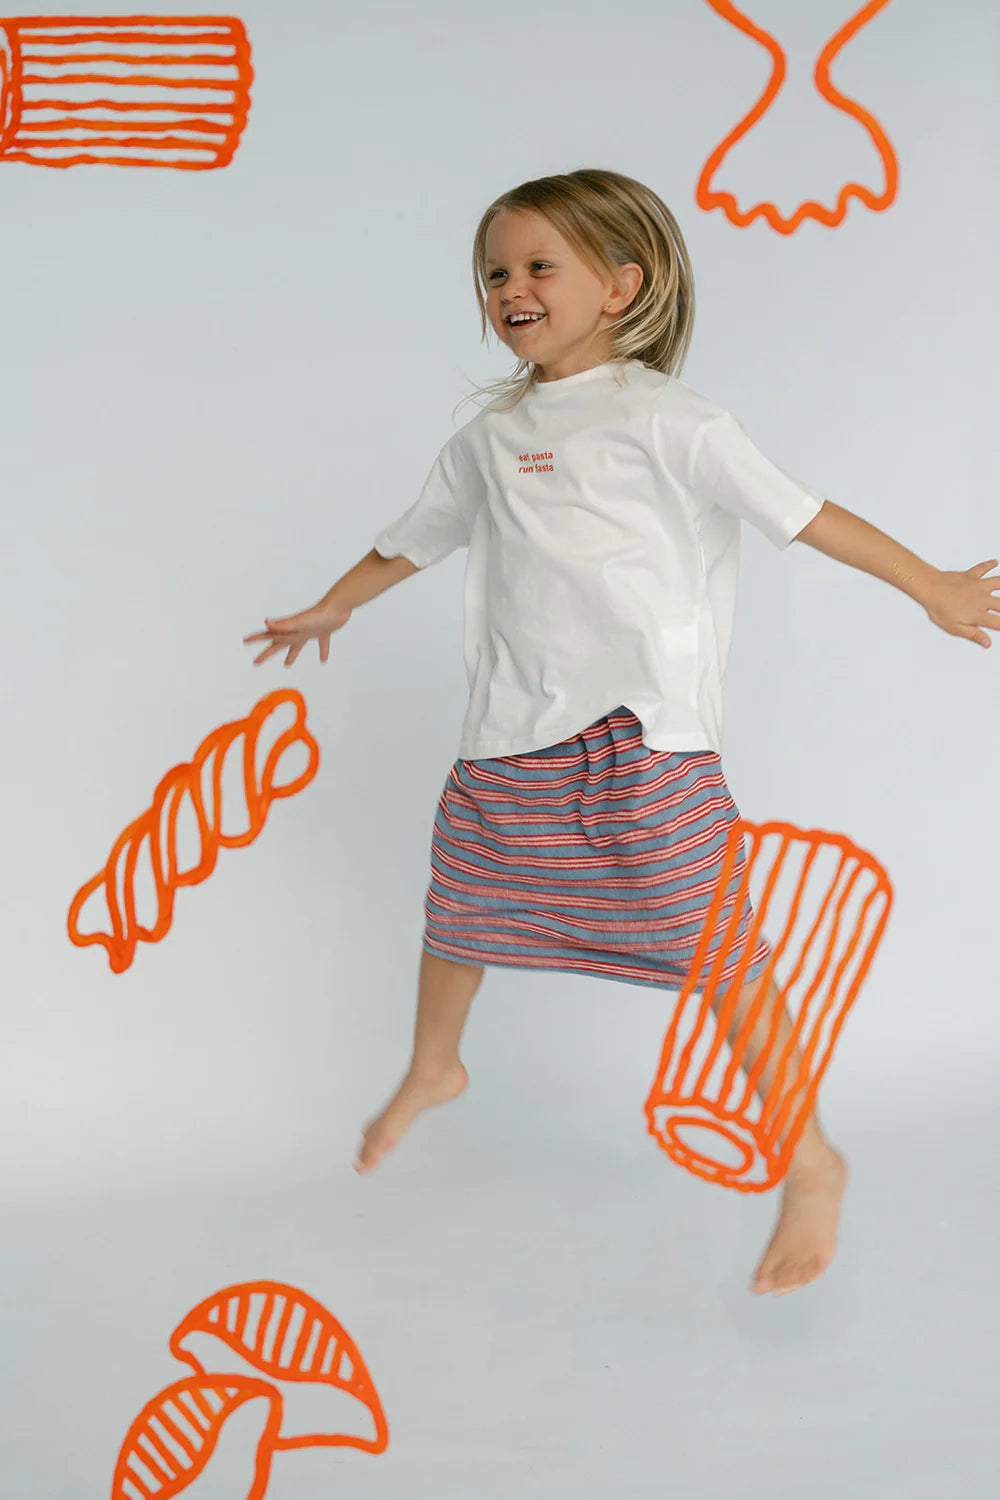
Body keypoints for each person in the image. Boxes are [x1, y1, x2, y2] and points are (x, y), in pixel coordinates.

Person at [244, 168, 997, 1297]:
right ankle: (436, 1063)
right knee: (461, 899)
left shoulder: (671, 421)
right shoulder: (490, 438)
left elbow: (805, 514)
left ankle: (809, 1155)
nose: (511, 287)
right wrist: (338, 601)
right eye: (495, 271)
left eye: (540, 265)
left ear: (620, 285)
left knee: (715, 946)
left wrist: (930, 583)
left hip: (637, 736)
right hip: (508, 731)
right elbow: (415, 538)